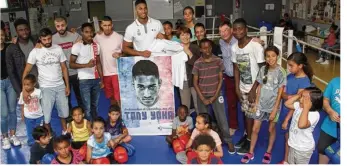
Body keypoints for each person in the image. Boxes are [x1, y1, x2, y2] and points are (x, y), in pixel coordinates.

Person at [241, 46, 286, 163]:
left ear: (277, 56)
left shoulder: (281, 72)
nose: (270, 58)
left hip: (273, 106)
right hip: (261, 105)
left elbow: (280, 92)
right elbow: (260, 87)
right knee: (255, 129)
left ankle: (269, 151)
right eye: (268, 56)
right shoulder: (263, 70)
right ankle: (250, 152)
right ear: (265, 57)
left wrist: (275, 109)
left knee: (271, 129)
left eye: (273, 56)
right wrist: (256, 103)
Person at [22, 28, 70, 136]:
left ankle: (65, 131)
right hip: (45, 87)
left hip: (60, 86)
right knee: (46, 115)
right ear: (40, 39)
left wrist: (67, 85)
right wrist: (24, 90)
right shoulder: (35, 51)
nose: (47, 41)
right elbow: (26, 71)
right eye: (44, 39)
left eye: (49, 38)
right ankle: (49, 134)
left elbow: (64, 68)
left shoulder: (58, 48)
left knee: (64, 112)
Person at [192, 38, 235, 154]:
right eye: (204, 48)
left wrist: (214, 96)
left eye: (209, 47)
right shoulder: (197, 63)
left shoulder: (218, 61)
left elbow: (221, 79)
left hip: (216, 94)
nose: (207, 50)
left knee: (222, 118)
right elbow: (195, 83)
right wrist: (203, 98)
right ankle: (203, 141)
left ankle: (228, 140)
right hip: (202, 95)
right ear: (200, 49)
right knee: (202, 121)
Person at [231, 18, 265, 154]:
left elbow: (263, 69)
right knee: (246, 114)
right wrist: (236, 87)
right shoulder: (234, 48)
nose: (238, 31)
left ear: (246, 30)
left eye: (240, 28)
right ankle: (247, 136)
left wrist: (253, 90)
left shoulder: (255, 46)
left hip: (255, 88)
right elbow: (236, 69)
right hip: (243, 87)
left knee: (251, 115)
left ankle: (250, 140)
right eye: (235, 29)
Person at [279, 52, 313, 164]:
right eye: (288, 65)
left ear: (300, 66)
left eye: (291, 65)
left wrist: (287, 119)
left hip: (293, 115)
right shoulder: (289, 76)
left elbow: (297, 104)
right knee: (287, 138)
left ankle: (287, 161)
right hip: (285, 110)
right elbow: (282, 94)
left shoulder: (305, 82)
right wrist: (290, 97)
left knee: (291, 139)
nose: (289, 68)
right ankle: (287, 160)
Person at [70, 22, 103, 121]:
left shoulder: (97, 45)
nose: (89, 34)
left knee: (95, 106)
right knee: (87, 107)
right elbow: (71, 64)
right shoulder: (77, 46)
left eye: (91, 32)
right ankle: (89, 128)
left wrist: (102, 79)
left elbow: (98, 63)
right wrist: (86, 65)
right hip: (84, 80)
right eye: (86, 32)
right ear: (82, 33)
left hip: (96, 79)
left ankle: (96, 126)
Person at [52, 16, 83, 114]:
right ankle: (69, 117)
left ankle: (82, 115)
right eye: (58, 26)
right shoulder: (52, 39)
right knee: (66, 98)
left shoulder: (74, 36)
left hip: (76, 72)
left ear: (66, 25)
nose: (60, 28)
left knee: (80, 96)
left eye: (62, 25)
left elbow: (87, 42)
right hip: (62, 74)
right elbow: (41, 45)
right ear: (55, 27)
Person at [285, 87, 322, 164]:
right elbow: (287, 103)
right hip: (293, 144)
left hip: (303, 149)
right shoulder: (299, 106)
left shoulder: (314, 114)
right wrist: (299, 95)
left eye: (304, 98)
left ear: (312, 102)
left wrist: (306, 108)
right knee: (291, 163)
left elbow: (301, 125)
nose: (300, 99)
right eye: (301, 96)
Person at [1, 22, 21, 149]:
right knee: (3, 113)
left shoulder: (10, 47)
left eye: (2, 35)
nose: (0, 37)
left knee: (13, 110)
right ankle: (5, 137)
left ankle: (13, 135)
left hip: (10, 82)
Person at [94, 16, 123, 106]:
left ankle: (122, 117)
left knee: (119, 97)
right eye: (105, 25)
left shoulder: (119, 37)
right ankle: (114, 117)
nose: (107, 27)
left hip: (117, 72)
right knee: (110, 97)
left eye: (109, 25)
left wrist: (120, 55)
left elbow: (125, 53)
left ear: (112, 25)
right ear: (101, 26)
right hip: (105, 73)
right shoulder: (97, 37)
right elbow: (87, 41)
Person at [6, 18, 38, 97]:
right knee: (28, 108)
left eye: (26, 29)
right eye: (21, 30)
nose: (24, 32)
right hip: (25, 86)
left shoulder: (36, 41)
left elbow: (49, 37)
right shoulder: (11, 48)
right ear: (16, 31)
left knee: (43, 107)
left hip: (40, 82)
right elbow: (11, 73)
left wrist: (72, 32)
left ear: (29, 29)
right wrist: (20, 91)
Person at [218, 21, 239, 136]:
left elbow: (248, 40)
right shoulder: (221, 42)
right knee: (231, 103)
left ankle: (247, 129)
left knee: (244, 103)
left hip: (240, 78)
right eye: (220, 31)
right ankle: (233, 126)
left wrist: (256, 39)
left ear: (231, 30)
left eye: (225, 30)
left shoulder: (238, 41)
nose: (223, 33)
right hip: (228, 77)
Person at [176, 27, 200, 113]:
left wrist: (189, 53)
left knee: (198, 105)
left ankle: (201, 124)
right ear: (179, 36)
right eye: (182, 34)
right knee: (185, 107)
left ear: (190, 35)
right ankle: (187, 126)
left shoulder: (195, 47)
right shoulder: (176, 49)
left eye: (187, 34)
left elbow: (199, 64)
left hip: (195, 81)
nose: (185, 36)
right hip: (183, 81)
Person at [318, 77, 340, 164]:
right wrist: (330, 111)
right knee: (322, 149)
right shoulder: (335, 81)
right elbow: (325, 99)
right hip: (330, 126)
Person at [19, 74, 44, 146]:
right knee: (29, 131)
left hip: (39, 116)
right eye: (24, 84)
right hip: (28, 117)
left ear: (34, 84)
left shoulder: (38, 92)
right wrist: (22, 114)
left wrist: (43, 112)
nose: (26, 86)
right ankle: (31, 142)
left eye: (28, 84)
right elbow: (22, 104)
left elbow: (41, 102)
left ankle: (40, 141)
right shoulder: (22, 94)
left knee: (39, 130)